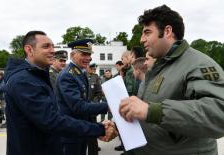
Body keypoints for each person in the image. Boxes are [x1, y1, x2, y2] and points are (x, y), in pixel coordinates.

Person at [119, 5, 224, 155]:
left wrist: (152, 111)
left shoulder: (197, 64)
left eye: (147, 32)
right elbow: (145, 114)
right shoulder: (157, 66)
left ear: (167, 31)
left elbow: (219, 114)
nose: (142, 39)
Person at [3, 31, 117, 155]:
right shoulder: (24, 80)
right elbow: (52, 120)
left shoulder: (35, 75)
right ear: (29, 50)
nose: (52, 50)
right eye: (46, 46)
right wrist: (99, 128)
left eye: (52, 46)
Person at [56, 39, 111, 155]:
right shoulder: (67, 75)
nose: (88, 58)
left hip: (80, 129)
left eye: (89, 55)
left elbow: (84, 103)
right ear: (72, 55)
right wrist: (109, 106)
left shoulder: (79, 73)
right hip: (71, 133)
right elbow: (78, 106)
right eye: (84, 54)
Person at [86, 63, 102, 155]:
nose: (92, 69)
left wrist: (93, 104)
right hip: (80, 109)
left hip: (91, 110)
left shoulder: (95, 77)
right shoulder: (78, 76)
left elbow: (99, 93)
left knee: (92, 136)